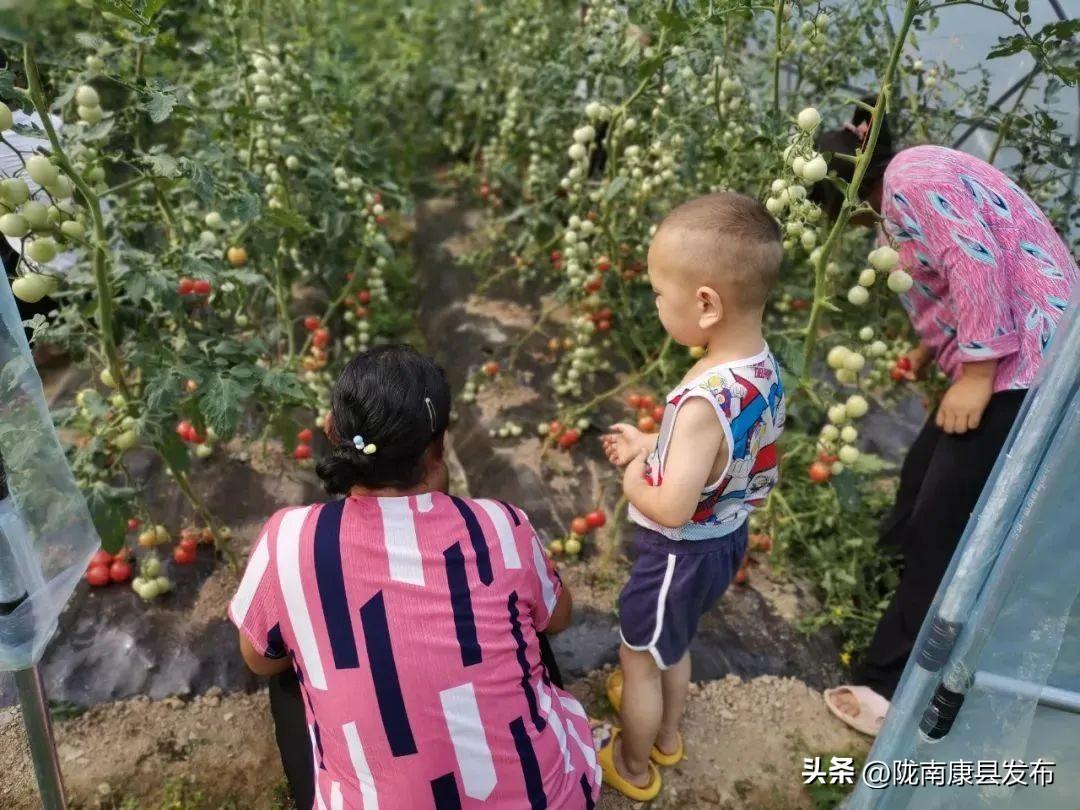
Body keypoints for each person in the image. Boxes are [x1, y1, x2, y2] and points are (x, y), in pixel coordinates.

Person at [229, 345, 600, 809]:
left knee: (284, 661)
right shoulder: (501, 526)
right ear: (438, 447)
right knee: (528, 618)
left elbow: (259, 661)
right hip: (550, 800)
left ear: (331, 430)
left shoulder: (289, 540)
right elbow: (558, 618)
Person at [818, 107, 1078, 736]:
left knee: (944, 521)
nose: (845, 226)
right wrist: (935, 358)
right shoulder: (904, 195)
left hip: (1028, 366)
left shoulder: (910, 180)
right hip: (1013, 358)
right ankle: (880, 606)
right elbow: (943, 284)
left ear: (845, 194)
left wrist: (977, 376)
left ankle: (889, 685)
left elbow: (975, 264)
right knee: (918, 488)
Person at [598, 192, 786, 800]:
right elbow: (721, 452)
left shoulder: (703, 398)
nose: (655, 303)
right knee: (672, 643)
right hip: (725, 541)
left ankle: (632, 762)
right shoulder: (759, 369)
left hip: (676, 552)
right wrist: (653, 440)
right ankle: (669, 732)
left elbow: (673, 505)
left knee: (639, 657)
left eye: (658, 293)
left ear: (705, 304)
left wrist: (633, 478)